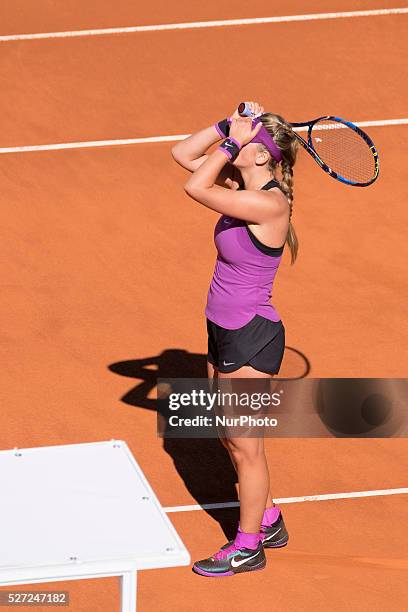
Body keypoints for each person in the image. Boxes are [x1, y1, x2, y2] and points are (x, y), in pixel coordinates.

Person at [171, 101, 299, 577]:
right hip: (222, 330)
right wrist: (228, 126)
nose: (237, 143)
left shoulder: (268, 204)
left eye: (248, 141)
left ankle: (248, 547)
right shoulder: (239, 189)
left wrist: (229, 141)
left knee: (247, 446)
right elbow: (183, 155)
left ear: (262, 157)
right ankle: (268, 519)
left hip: (251, 336)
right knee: (230, 436)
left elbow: (193, 184)